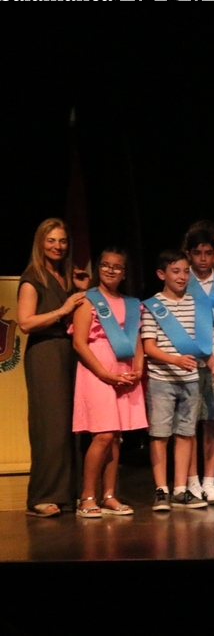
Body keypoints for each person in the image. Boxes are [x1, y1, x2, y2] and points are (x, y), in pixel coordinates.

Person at [17, 219, 87, 517]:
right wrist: (63, 309)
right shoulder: (33, 277)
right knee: (51, 425)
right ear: (40, 243)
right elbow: (25, 322)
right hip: (45, 351)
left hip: (67, 351)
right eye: (51, 241)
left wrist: (82, 289)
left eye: (62, 241)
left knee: (71, 423)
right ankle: (42, 496)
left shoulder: (63, 276)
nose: (58, 246)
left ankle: (69, 494)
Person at [140, 249, 214, 510]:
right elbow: (149, 347)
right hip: (161, 378)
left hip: (191, 379)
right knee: (160, 434)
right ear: (162, 274)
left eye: (186, 271)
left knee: (186, 433)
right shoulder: (152, 305)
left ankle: (181, 489)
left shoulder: (196, 305)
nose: (182, 276)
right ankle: (161, 491)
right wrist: (175, 360)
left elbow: (201, 344)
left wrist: (212, 364)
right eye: (176, 271)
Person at [71, 247, 146, 517]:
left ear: (124, 273)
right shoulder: (87, 301)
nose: (111, 270)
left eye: (117, 267)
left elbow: (137, 340)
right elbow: (79, 343)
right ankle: (87, 496)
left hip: (123, 370)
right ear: (98, 269)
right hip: (97, 370)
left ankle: (109, 495)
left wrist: (138, 368)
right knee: (102, 435)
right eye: (105, 265)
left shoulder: (132, 304)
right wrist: (104, 374)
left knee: (116, 437)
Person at [183, 226, 214, 504]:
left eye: (208, 253)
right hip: (186, 360)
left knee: (212, 420)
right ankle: (191, 480)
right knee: (189, 424)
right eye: (197, 253)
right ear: (188, 254)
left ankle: (210, 481)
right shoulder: (181, 279)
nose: (202, 258)